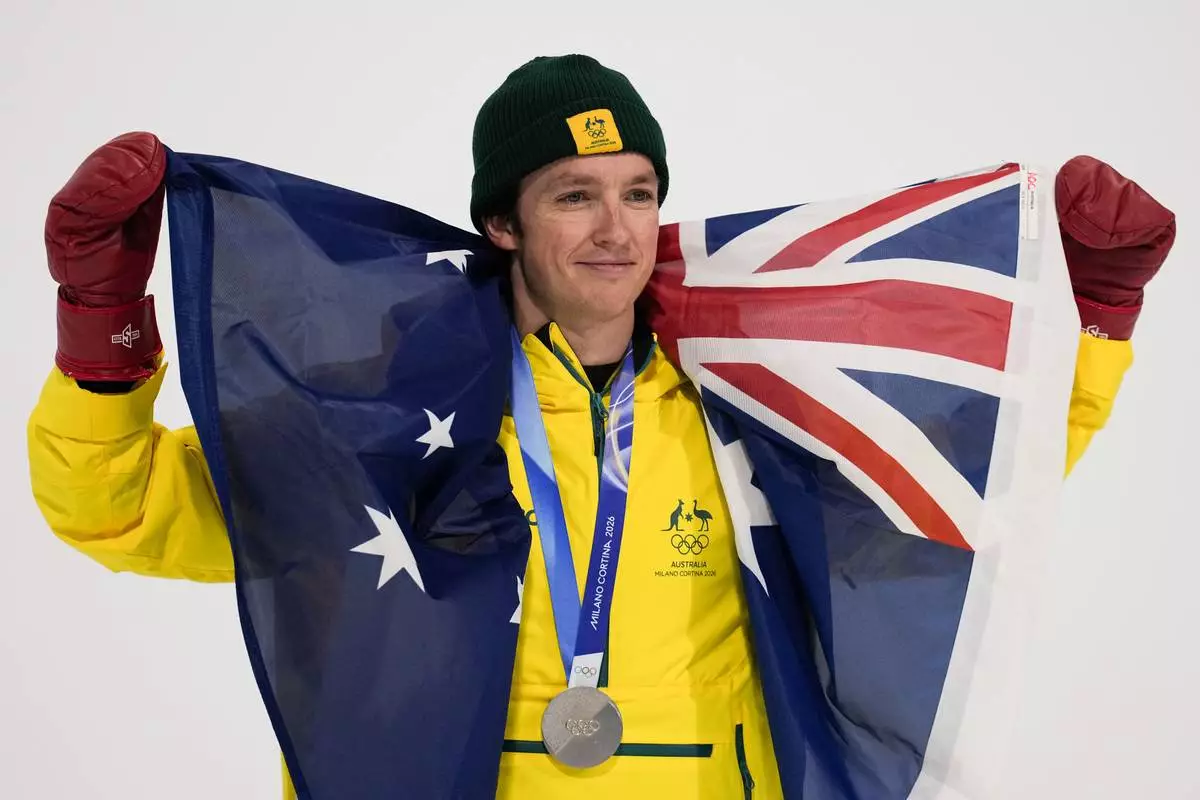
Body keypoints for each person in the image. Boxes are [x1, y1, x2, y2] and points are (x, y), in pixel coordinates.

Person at [27, 53, 1176, 799]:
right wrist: (102, 334)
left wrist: (1098, 316)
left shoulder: (748, 400)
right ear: (503, 223)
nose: (617, 228)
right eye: (574, 194)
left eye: (637, 190)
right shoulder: (387, 411)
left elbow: (960, 475)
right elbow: (124, 512)